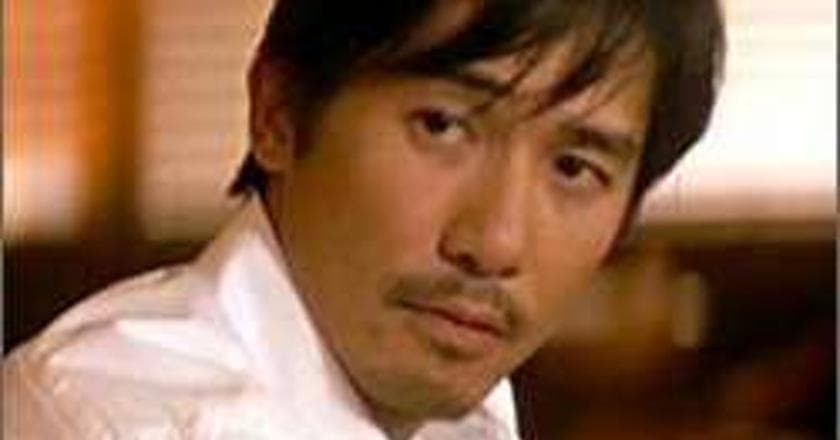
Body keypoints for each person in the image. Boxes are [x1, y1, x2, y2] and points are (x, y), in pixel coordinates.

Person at [4, 1, 724, 438]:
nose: (494, 242)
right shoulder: (114, 419)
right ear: (279, 113)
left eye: (574, 168)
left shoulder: (462, 416)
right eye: (442, 126)